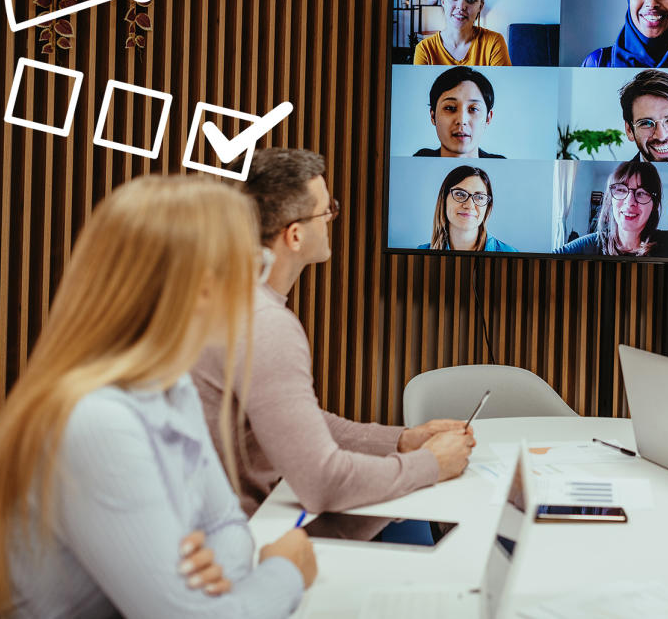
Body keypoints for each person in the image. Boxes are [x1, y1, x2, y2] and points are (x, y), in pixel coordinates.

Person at [0, 176, 315, 617]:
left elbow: (226, 523)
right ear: (199, 287)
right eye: (252, 268)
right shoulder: (96, 421)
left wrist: (208, 570)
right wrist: (284, 570)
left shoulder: (172, 387)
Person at [192, 149, 475, 517]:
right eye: (326, 211)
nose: (331, 220)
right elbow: (325, 483)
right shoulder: (265, 323)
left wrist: (402, 440)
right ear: (294, 235)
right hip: (245, 537)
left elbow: (294, 419)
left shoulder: (229, 301)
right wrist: (432, 464)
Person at [554, 159, 668, 258]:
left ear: (654, 205)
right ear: (610, 200)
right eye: (621, 190)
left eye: (642, 193)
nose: (630, 202)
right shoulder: (590, 244)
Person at [413, 0, 513, 66]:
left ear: (480, 7)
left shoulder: (494, 43)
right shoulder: (425, 49)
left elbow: (502, 83)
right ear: (443, 1)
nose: (461, 6)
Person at [417, 165, 518, 252]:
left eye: (479, 197)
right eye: (460, 194)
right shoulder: (420, 254)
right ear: (443, 200)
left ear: (487, 207)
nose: (469, 205)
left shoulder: (511, 255)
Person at [413, 66, 506, 159]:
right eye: (450, 108)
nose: (462, 120)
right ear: (433, 116)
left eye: (473, 109)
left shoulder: (501, 165)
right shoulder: (418, 160)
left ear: (488, 118)